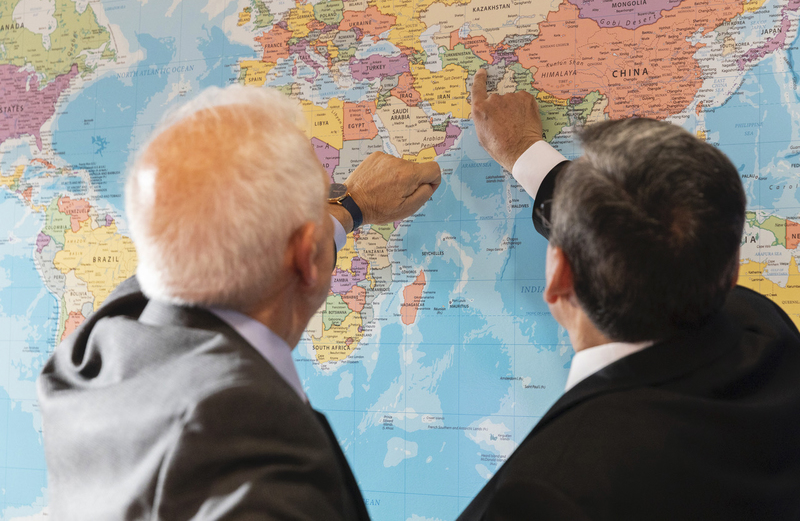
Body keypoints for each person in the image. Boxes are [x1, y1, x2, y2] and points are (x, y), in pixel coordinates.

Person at [37, 85, 441, 520]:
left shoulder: (89, 354)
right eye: (325, 195)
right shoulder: (262, 463)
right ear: (307, 256)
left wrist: (351, 207)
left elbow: (192, 234)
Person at [458, 69, 800, 520]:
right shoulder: (765, 334)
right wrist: (527, 154)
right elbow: (653, 226)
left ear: (560, 277)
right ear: (731, 269)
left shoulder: (547, 493)